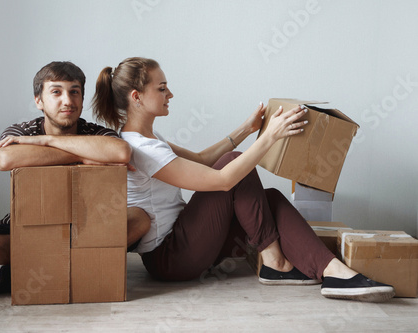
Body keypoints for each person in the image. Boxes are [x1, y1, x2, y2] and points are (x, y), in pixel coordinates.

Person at [91, 57, 395, 302]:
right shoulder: (142, 149)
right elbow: (223, 180)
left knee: (271, 198)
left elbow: (201, 161)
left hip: (189, 242)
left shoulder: (148, 138)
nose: (170, 94)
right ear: (137, 98)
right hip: (171, 258)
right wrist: (270, 137)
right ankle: (275, 263)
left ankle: (335, 272)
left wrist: (247, 130)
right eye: (162, 88)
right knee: (235, 167)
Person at [0, 61, 150, 294]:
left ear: (82, 100)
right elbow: (5, 159)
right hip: (27, 229)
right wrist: (83, 156)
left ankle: (27, 272)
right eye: (56, 92)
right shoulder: (22, 132)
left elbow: (121, 152)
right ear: (39, 100)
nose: (67, 100)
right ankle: (68, 267)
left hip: (88, 228)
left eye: (74, 92)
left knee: (140, 218)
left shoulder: (96, 132)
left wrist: (47, 142)